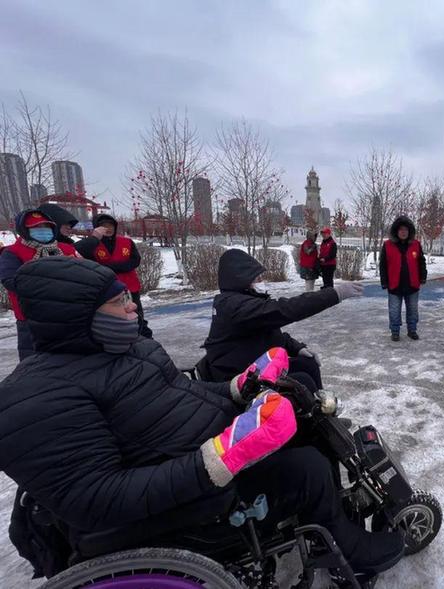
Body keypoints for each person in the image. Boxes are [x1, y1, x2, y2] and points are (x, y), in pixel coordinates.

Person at [0, 256, 404, 579]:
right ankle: (342, 545)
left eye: (128, 297)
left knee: (303, 424)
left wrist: (236, 390)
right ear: (77, 315)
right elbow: (96, 499)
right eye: (118, 302)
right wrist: (213, 461)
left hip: (197, 448)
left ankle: (329, 517)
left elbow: (181, 390)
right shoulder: (37, 398)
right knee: (307, 467)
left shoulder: (130, 351)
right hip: (190, 499)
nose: (132, 307)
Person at [199, 248, 364, 387]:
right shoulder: (234, 306)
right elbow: (285, 310)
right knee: (301, 381)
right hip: (238, 378)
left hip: (253, 366)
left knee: (308, 365)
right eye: (257, 279)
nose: (262, 282)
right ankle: (311, 420)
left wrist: (297, 347)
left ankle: (324, 415)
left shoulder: (244, 301)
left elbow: (269, 333)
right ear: (241, 280)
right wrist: (335, 294)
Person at [0, 209, 79, 359]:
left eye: (46, 227)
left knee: (69, 359)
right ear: (24, 230)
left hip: (67, 315)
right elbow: (11, 281)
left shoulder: (65, 249)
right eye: (36, 228)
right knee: (34, 361)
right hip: (31, 319)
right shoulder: (12, 253)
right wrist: (52, 283)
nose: (43, 231)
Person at [76, 213, 153, 338]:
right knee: (114, 318)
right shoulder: (91, 244)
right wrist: (95, 239)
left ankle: (143, 337)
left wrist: (110, 267)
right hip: (106, 290)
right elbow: (86, 260)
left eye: (111, 225)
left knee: (136, 315)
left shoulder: (126, 242)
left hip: (130, 287)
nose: (108, 228)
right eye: (104, 225)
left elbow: (135, 260)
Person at [379, 216, 427, 342]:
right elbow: (383, 264)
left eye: (406, 229)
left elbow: (422, 262)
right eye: (401, 229)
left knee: (413, 309)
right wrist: (384, 281)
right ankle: (395, 331)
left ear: (409, 231)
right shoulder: (387, 245)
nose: (403, 232)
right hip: (394, 285)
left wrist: (423, 276)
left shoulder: (416, 244)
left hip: (412, 285)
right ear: (396, 231)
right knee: (394, 310)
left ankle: (412, 330)